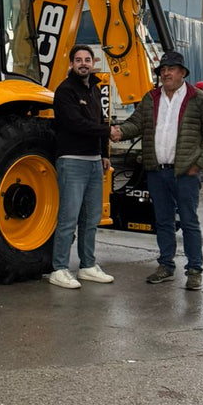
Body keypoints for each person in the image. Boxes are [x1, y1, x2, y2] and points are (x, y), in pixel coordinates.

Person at [109, 49, 203, 290]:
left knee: (189, 221)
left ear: (182, 73)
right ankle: (166, 266)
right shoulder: (151, 98)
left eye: (170, 69)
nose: (166, 73)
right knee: (163, 221)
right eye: (162, 70)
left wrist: (199, 163)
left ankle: (194, 270)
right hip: (156, 171)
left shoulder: (197, 98)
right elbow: (136, 124)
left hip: (185, 172)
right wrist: (118, 132)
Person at [47, 43, 114, 289]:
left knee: (90, 219)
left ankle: (87, 266)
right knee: (68, 218)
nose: (84, 63)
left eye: (87, 59)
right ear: (72, 64)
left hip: (95, 164)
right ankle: (59, 269)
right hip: (72, 162)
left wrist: (104, 152)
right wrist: (108, 132)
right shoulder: (64, 91)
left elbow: (100, 121)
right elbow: (76, 124)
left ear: (93, 63)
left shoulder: (95, 90)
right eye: (79, 60)